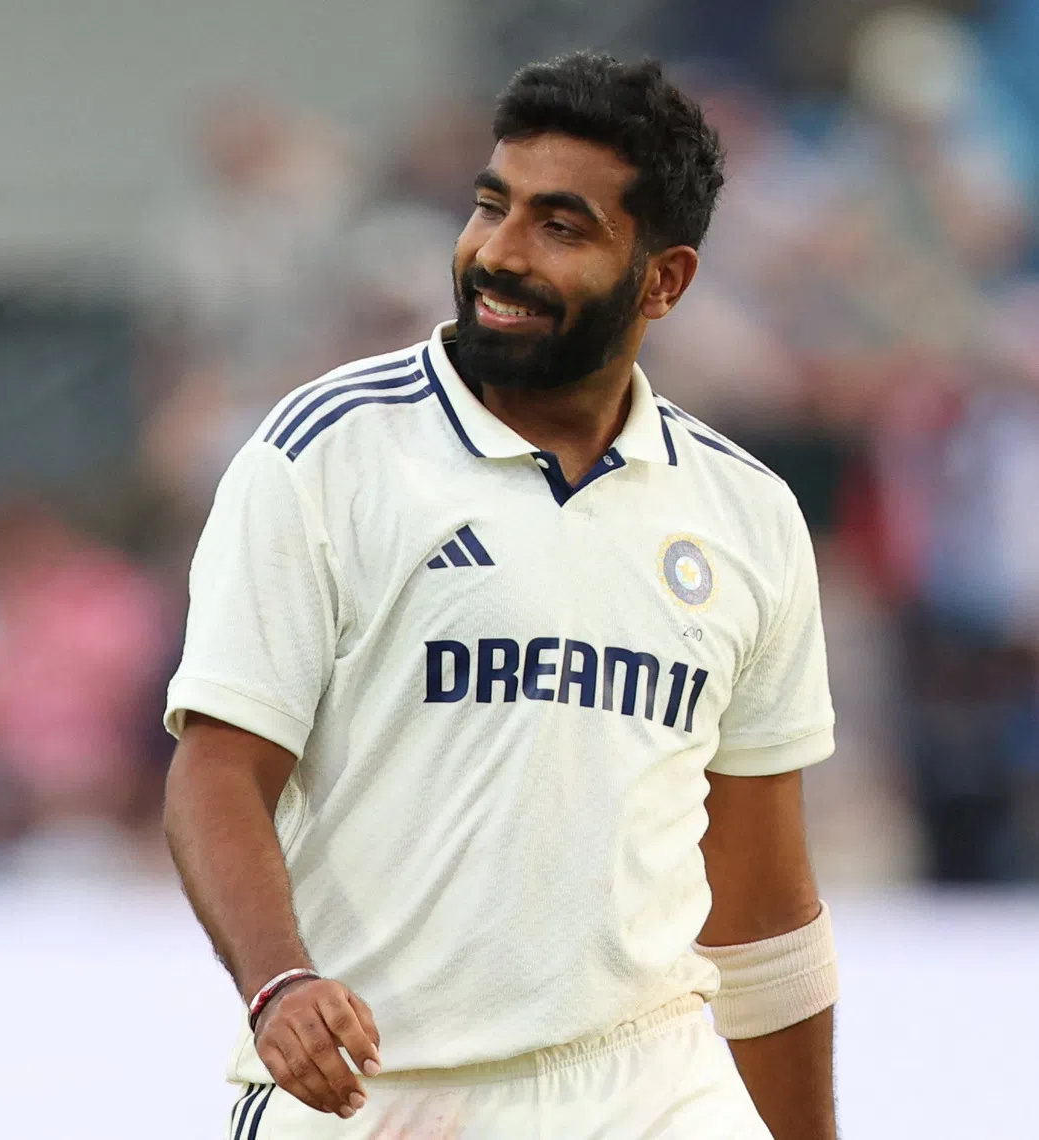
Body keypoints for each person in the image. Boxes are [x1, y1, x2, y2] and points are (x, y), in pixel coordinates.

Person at [163, 53, 839, 1140]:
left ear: (664, 281)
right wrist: (279, 983)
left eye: (561, 227)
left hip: (649, 1084)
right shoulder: (326, 454)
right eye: (492, 206)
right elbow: (216, 770)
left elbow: (763, 905)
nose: (498, 255)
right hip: (378, 1085)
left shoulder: (749, 515)